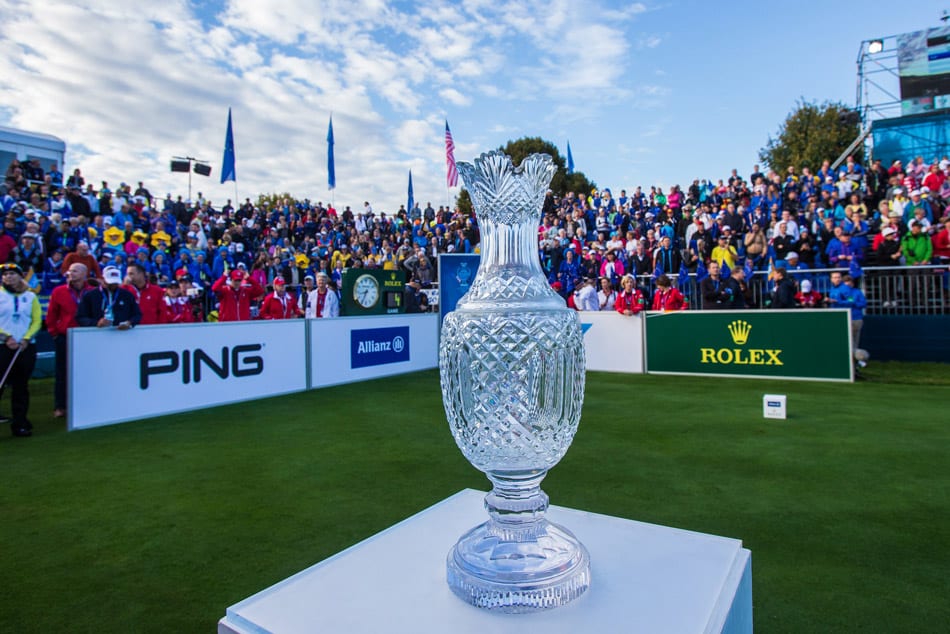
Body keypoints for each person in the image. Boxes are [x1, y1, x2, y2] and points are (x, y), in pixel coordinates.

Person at [45, 263, 95, 418]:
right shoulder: (59, 291)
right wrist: (54, 333)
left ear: (84, 273)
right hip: (65, 336)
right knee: (62, 372)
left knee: (87, 371)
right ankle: (60, 405)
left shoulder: (92, 292)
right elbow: (52, 314)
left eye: (74, 271)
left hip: (87, 337)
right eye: (69, 271)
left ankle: (85, 402)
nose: (70, 273)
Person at [0, 263, 42, 437]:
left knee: (21, 386)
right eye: (5, 274)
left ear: (20, 276)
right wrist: (6, 337)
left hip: (24, 347)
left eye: (12, 274)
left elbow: (37, 320)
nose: (8, 277)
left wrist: (27, 338)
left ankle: (20, 424)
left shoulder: (30, 297)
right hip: (3, 346)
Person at [76, 266, 141, 330]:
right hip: (97, 334)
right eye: (111, 283)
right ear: (103, 279)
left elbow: (137, 314)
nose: (113, 285)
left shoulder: (127, 295)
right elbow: (81, 317)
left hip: (121, 334)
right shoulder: (91, 295)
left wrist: (130, 323)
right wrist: (95, 323)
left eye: (115, 283)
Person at [842, 274, 867, 353]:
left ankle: (855, 360)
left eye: (849, 284)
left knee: (855, 341)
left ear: (852, 283)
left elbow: (863, 303)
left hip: (856, 319)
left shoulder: (857, 292)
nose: (848, 286)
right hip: (844, 319)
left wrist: (854, 303)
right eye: (846, 285)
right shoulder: (840, 292)